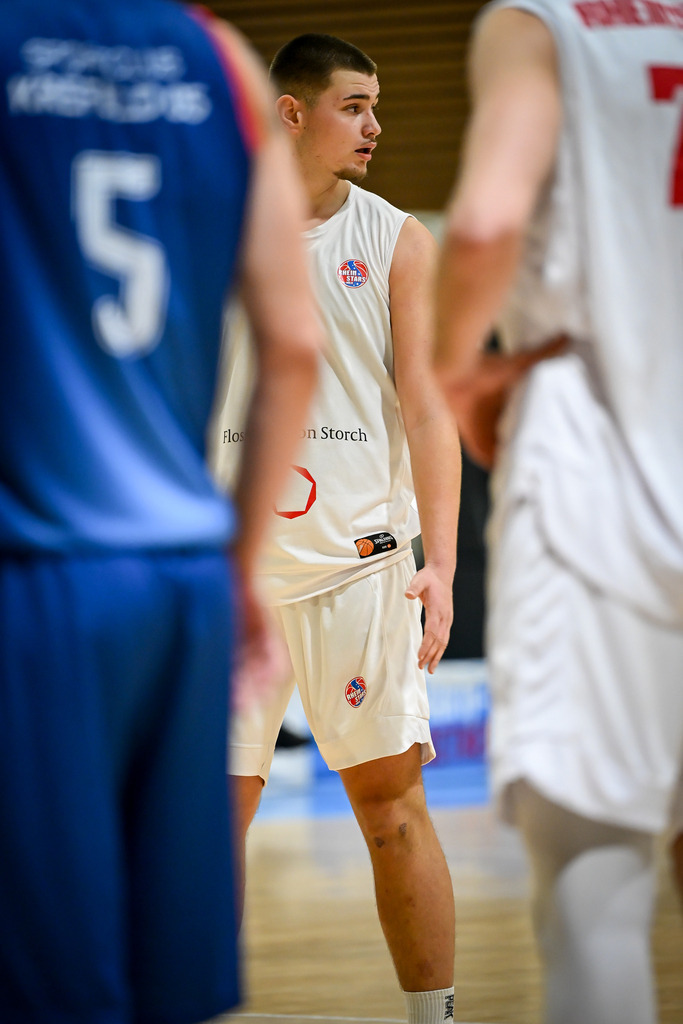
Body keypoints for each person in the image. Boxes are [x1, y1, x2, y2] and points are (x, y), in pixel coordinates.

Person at [0, 2, 320, 1022]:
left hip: (36, 571)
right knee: (172, 979)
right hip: (185, 584)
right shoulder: (219, 57)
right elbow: (293, 346)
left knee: (53, 982)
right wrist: (236, 567)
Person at [434, 2, 683, 1022]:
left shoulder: (537, 22)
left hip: (596, 473)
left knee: (595, 905)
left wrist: (457, 375)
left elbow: (487, 219)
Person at [211, 32, 460, 1024]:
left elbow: (429, 407)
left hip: (360, 570)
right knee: (206, 823)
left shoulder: (397, 238)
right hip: (230, 578)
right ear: (289, 112)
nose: (375, 124)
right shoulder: (207, 225)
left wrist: (438, 563)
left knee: (388, 812)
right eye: (354, 105)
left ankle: (432, 1014)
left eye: (376, 104)